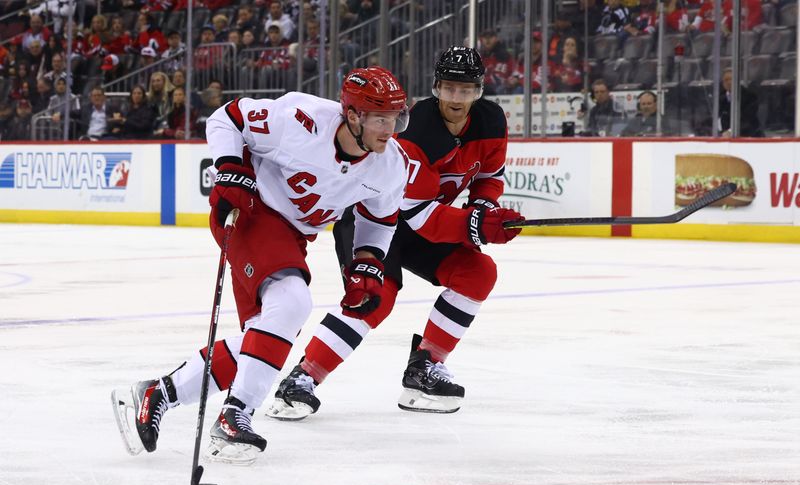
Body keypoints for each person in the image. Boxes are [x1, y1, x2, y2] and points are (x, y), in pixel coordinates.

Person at [111, 66, 411, 464]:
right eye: (379, 118)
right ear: (352, 115)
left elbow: (380, 219)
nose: (389, 129)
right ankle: (236, 416)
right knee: (292, 304)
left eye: (395, 118)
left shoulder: (390, 164)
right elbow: (227, 118)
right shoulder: (300, 119)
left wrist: (367, 265)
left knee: (266, 337)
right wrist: (229, 167)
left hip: (293, 237)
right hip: (248, 209)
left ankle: (158, 393)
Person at [267, 46, 524, 421]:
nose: (457, 98)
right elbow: (416, 213)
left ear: (479, 91)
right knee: (374, 297)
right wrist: (474, 226)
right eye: (449, 88)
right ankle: (302, 379)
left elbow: (488, 177)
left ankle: (425, 368)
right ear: (436, 88)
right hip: (373, 220)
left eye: (466, 90)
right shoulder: (418, 129)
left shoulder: (491, 121)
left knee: (478, 273)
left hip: (424, 221)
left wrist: (484, 210)